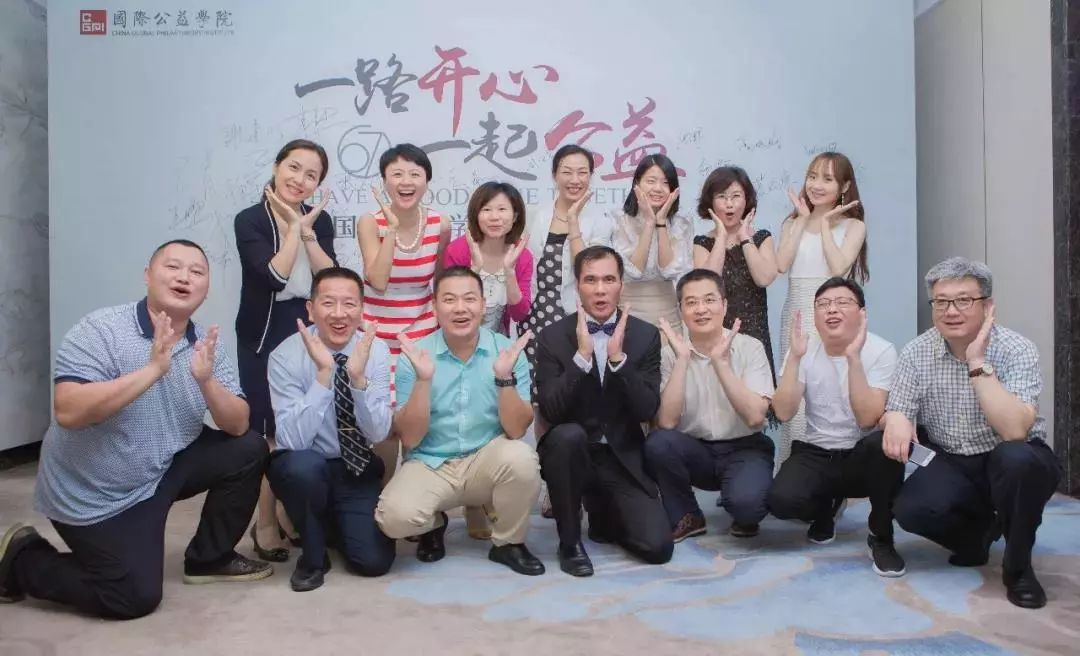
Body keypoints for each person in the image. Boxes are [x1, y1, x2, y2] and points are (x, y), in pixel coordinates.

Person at [0, 240, 271, 619]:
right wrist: (152, 370)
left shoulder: (204, 343)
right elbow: (68, 410)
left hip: (163, 465)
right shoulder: (102, 329)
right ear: (148, 275)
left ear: (206, 288)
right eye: (173, 267)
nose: (184, 277)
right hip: (97, 493)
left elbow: (238, 423)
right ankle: (20, 558)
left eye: (196, 272)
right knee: (132, 596)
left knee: (249, 448)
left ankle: (209, 559)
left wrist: (207, 382)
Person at [883, 257, 1061, 609]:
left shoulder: (1016, 348)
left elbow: (1014, 431)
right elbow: (898, 406)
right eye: (941, 302)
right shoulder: (917, 351)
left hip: (1011, 458)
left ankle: (1018, 568)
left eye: (964, 300)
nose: (951, 311)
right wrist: (897, 416)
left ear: (987, 305)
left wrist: (977, 362)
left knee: (1017, 460)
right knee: (911, 509)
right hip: (952, 458)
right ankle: (975, 537)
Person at [374, 267, 546, 576]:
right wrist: (423, 381)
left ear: (483, 304)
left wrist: (504, 378)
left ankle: (508, 543)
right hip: (430, 463)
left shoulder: (506, 352)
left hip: (485, 460)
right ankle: (434, 524)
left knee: (522, 459)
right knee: (393, 519)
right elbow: (410, 439)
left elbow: (517, 429)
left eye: (469, 299)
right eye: (449, 299)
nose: (460, 308)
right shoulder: (416, 355)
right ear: (435, 307)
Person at [535, 246, 673, 577]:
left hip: (620, 455)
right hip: (571, 454)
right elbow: (551, 410)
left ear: (621, 285)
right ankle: (569, 543)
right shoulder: (553, 337)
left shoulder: (644, 335)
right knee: (568, 436)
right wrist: (581, 358)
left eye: (609, 280)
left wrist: (618, 361)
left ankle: (602, 512)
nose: (600, 290)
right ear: (577, 285)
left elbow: (647, 409)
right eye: (591, 280)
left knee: (657, 548)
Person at [234, 139, 337, 561]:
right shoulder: (250, 220)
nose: (300, 180)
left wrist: (307, 230)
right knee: (269, 430)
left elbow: (329, 278)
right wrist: (293, 228)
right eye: (294, 168)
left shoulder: (321, 219)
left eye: (311, 175)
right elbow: (274, 277)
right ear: (277, 167)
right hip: (263, 331)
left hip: (306, 323)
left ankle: (286, 510)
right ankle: (265, 522)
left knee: (302, 420)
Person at [266, 267, 396, 591]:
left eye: (349, 304)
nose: (339, 314)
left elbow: (379, 433)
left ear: (361, 310)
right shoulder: (285, 356)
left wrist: (358, 380)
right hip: (305, 462)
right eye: (328, 303)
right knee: (303, 469)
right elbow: (291, 440)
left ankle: (324, 521)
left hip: (353, 465)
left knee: (374, 562)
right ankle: (312, 558)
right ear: (311, 309)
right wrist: (324, 376)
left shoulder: (376, 351)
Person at [767, 277, 906, 577]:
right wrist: (794, 359)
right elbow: (783, 412)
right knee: (781, 502)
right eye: (823, 304)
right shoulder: (802, 350)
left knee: (883, 446)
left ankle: (881, 536)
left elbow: (867, 419)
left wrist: (853, 358)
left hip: (862, 456)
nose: (832, 309)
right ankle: (825, 507)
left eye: (842, 302)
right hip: (817, 451)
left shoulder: (881, 350)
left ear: (862, 313)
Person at [645, 269, 775, 540]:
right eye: (691, 302)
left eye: (709, 300)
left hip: (745, 447)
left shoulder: (750, 347)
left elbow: (755, 417)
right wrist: (682, 360)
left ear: (724, 305)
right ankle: (688, 515)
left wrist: (720, 363)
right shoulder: (670, 354)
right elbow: (666, 422)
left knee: (748, 509)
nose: (701, 309)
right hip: (696, 450)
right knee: (658, 443)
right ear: (681, 310)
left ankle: (740, 502)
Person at [357, 144, 452, 483]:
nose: (406, 181)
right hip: (377, 335)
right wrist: (393, 230)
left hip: (422, 334)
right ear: (384, 181)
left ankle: (420, 500)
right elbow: (378, 280)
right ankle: (380, 500)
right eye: (396, 174)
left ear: (427, 180)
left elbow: (440, 281)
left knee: (420, 421)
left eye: (415, 174)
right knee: (383, 426)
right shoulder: (370, 222)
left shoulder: (440, 223)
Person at [775, 152, 867, 464]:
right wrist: (803, 220)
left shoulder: (854, 226)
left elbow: (839, 268)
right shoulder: (792, 221)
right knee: (795, 392)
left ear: (845, 186)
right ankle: (794, 470)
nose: (816, 184)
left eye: (827, 179)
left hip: (833, 314)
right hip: (797, 314)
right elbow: (781, 264)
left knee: (832, 390)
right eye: (812, 176)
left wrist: (825, 225)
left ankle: (836, 472)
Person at [693, 166, 779, 381]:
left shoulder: (762, 238)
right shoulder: (702, 243)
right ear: (711, 202)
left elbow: (764, 278)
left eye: (736, 196)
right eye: (722, 197)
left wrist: (745, 238)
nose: (729, 204)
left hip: (755, 333)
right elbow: (707, 284)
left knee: (756, 393)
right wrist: (721, 237)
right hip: (716, 334)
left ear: (747, 200)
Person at [610, 154, 693, 330]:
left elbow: (669, 271)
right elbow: (634, 271)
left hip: (668, 315)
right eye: (651, 181)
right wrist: (649, 223)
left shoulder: (681, 223)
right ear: (637, 183)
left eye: (665, 183)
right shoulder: (619, 220)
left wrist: (661, 222)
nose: (658, 188)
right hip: (627, 312)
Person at [443, 181, 532, 335]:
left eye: (502, 209)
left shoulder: (522, 256)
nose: (494, 217)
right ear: (476, 215)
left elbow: (519, 314)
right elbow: (449, 306)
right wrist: (475, 269)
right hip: (457, 337)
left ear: (515, 216)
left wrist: (509, 273)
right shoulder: (457, 250)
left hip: (498, 341)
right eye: (486, 209)